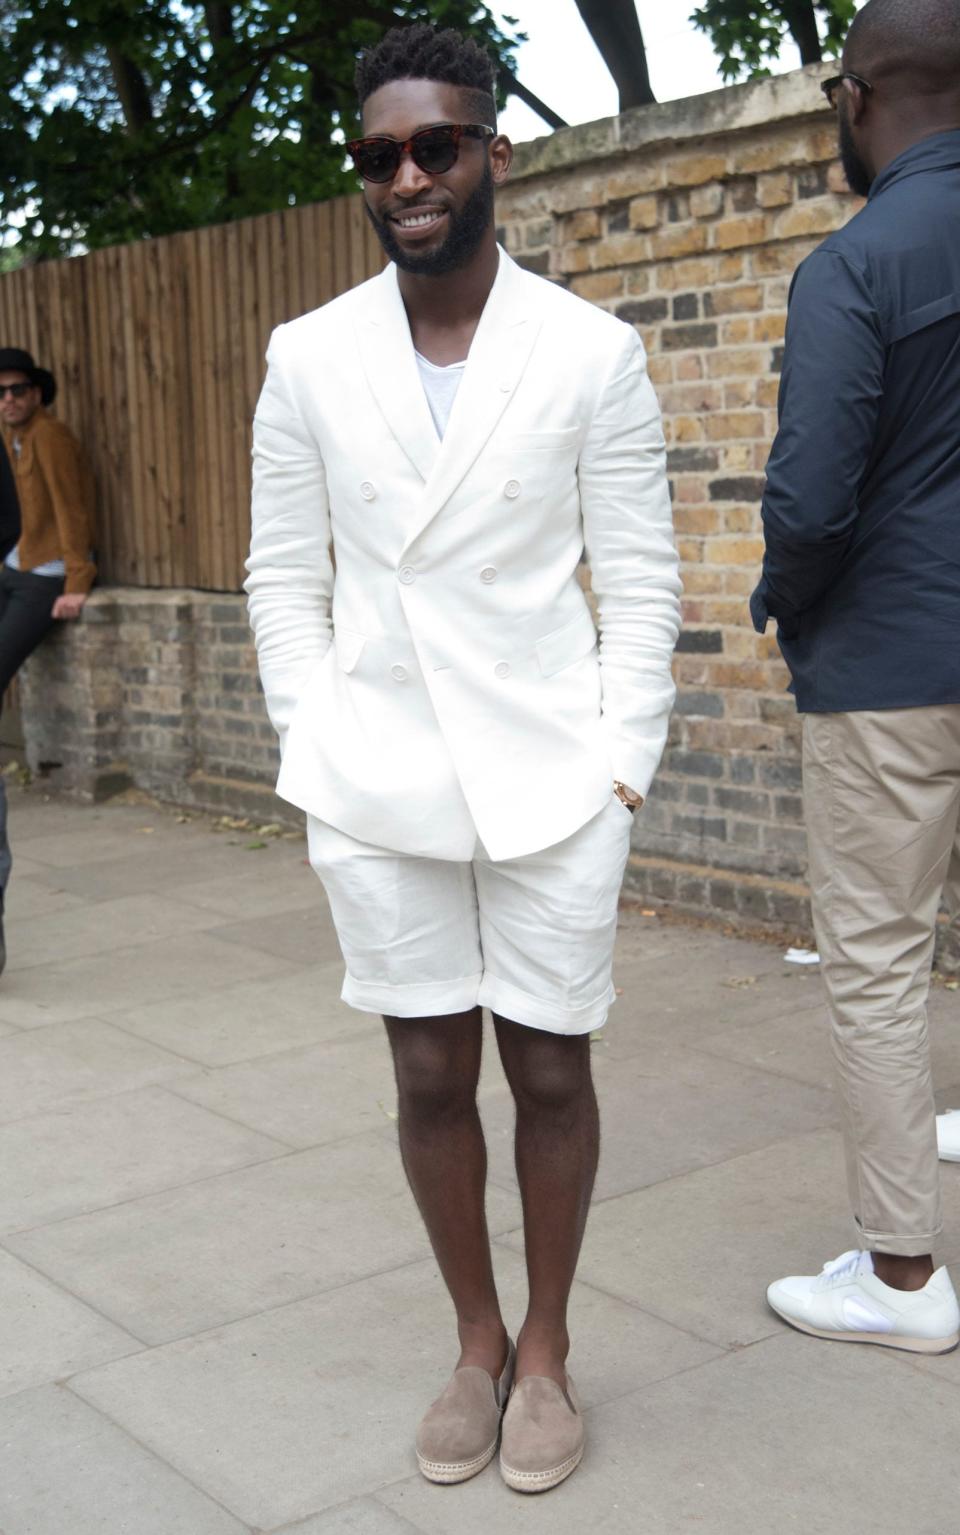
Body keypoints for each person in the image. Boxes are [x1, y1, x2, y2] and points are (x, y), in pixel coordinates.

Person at [246, 23, 680, 1492]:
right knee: (430, 1065)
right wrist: (312, 735)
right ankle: (475, 1338)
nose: (409, 176)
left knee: (550, 1066)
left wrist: (625, 765)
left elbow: (643, 578)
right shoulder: (307, 355)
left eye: (436, 145)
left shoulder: (589, 350)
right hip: (376, 775)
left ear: (495, 150)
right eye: (381, 156)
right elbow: (279, 577)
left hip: (555, 776)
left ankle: (550, 1346)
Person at [751, 0, 960, 1354]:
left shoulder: (857, 263)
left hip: (893, 659)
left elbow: (812, 499)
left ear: (862, 90)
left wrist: (787, 599)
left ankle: (900, 1282)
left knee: (880, 957)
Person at [0, 348, 96, 971]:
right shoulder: (11, 438)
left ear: (39, 392)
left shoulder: (52, 437)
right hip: (14, 566)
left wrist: (77, 581)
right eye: (0, 392)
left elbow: (72, 508)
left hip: (46, 575)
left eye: (17, 390)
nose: (8, 399)